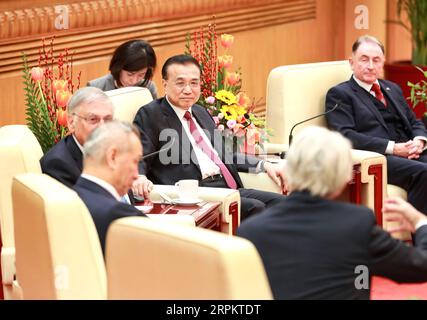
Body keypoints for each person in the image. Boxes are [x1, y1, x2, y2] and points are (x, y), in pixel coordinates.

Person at [237, 126, 427, 300]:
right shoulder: (357, 223)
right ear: (344, 176)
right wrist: (420, 222)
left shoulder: (250, 231)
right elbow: (420, 266)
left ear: (289, 169)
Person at [133, 54, 286, 220]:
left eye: (194, 83)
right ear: (165, 84)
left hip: (229, 189)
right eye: (180, 83)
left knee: (283, 203)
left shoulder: (200, 111)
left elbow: (224, 154)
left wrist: (263, 164)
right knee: (256, 208)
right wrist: (139, 176)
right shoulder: (151, 114)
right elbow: (139, 156)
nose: (188, 90)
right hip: (196, 195)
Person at [325, 35, 427, 214]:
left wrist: (419, 141)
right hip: (379, 157)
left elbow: (413, 121)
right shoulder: (340, 94)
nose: (370, 66)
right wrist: (394, 148)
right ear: (352, 62)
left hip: (409, 152)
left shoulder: (392, 88)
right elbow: (345, 136)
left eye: (376, 60)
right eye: (364, 60)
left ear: (383, 63)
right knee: (423, 172)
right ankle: (420, 234)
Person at [40, 87, 153, 200]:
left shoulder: (114, 149)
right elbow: (86, 212)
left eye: (108, 119)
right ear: (71, 123)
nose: (102, 127)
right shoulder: (58, 164)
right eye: (93, 119)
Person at [73, 121, 147, 252]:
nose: (137, 175)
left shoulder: (71, 198)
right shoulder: (120, 216)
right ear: (112, 157)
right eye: (135, 161)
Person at [87, 39, 158, 98]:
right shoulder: (95, 88)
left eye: (141, 75)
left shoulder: (149, 88)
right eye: (130, 74)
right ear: (118, 68)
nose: (134, 81)